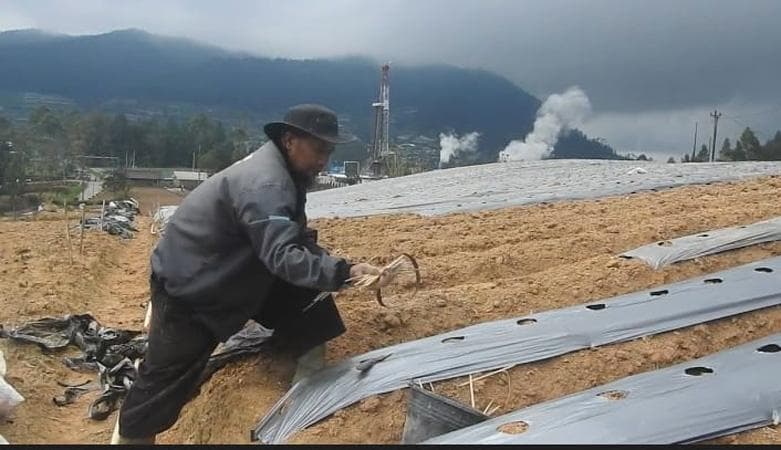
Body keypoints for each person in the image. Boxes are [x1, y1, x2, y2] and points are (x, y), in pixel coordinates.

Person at [111, 104, 385, 444]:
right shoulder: (268, 184)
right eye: (318, 150)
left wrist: (347, 269)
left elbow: (293, 238)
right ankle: (131, 439)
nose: (323, 162)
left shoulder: (282, 171)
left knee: (309, 302)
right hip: (192, 288)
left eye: (328, 152)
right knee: (162, 383)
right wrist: (340, 273)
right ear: (289, 140)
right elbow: (283, 255)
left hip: (230, 271)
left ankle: (302, 387)